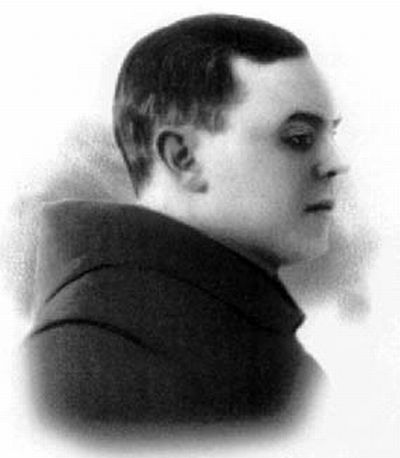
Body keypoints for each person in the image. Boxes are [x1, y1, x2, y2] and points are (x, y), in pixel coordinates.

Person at [27, 14, 348, 429]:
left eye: (331, 135)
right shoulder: (92, 364)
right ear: (184, 158)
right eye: (299, 138)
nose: (336, 163)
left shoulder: (241, 344)